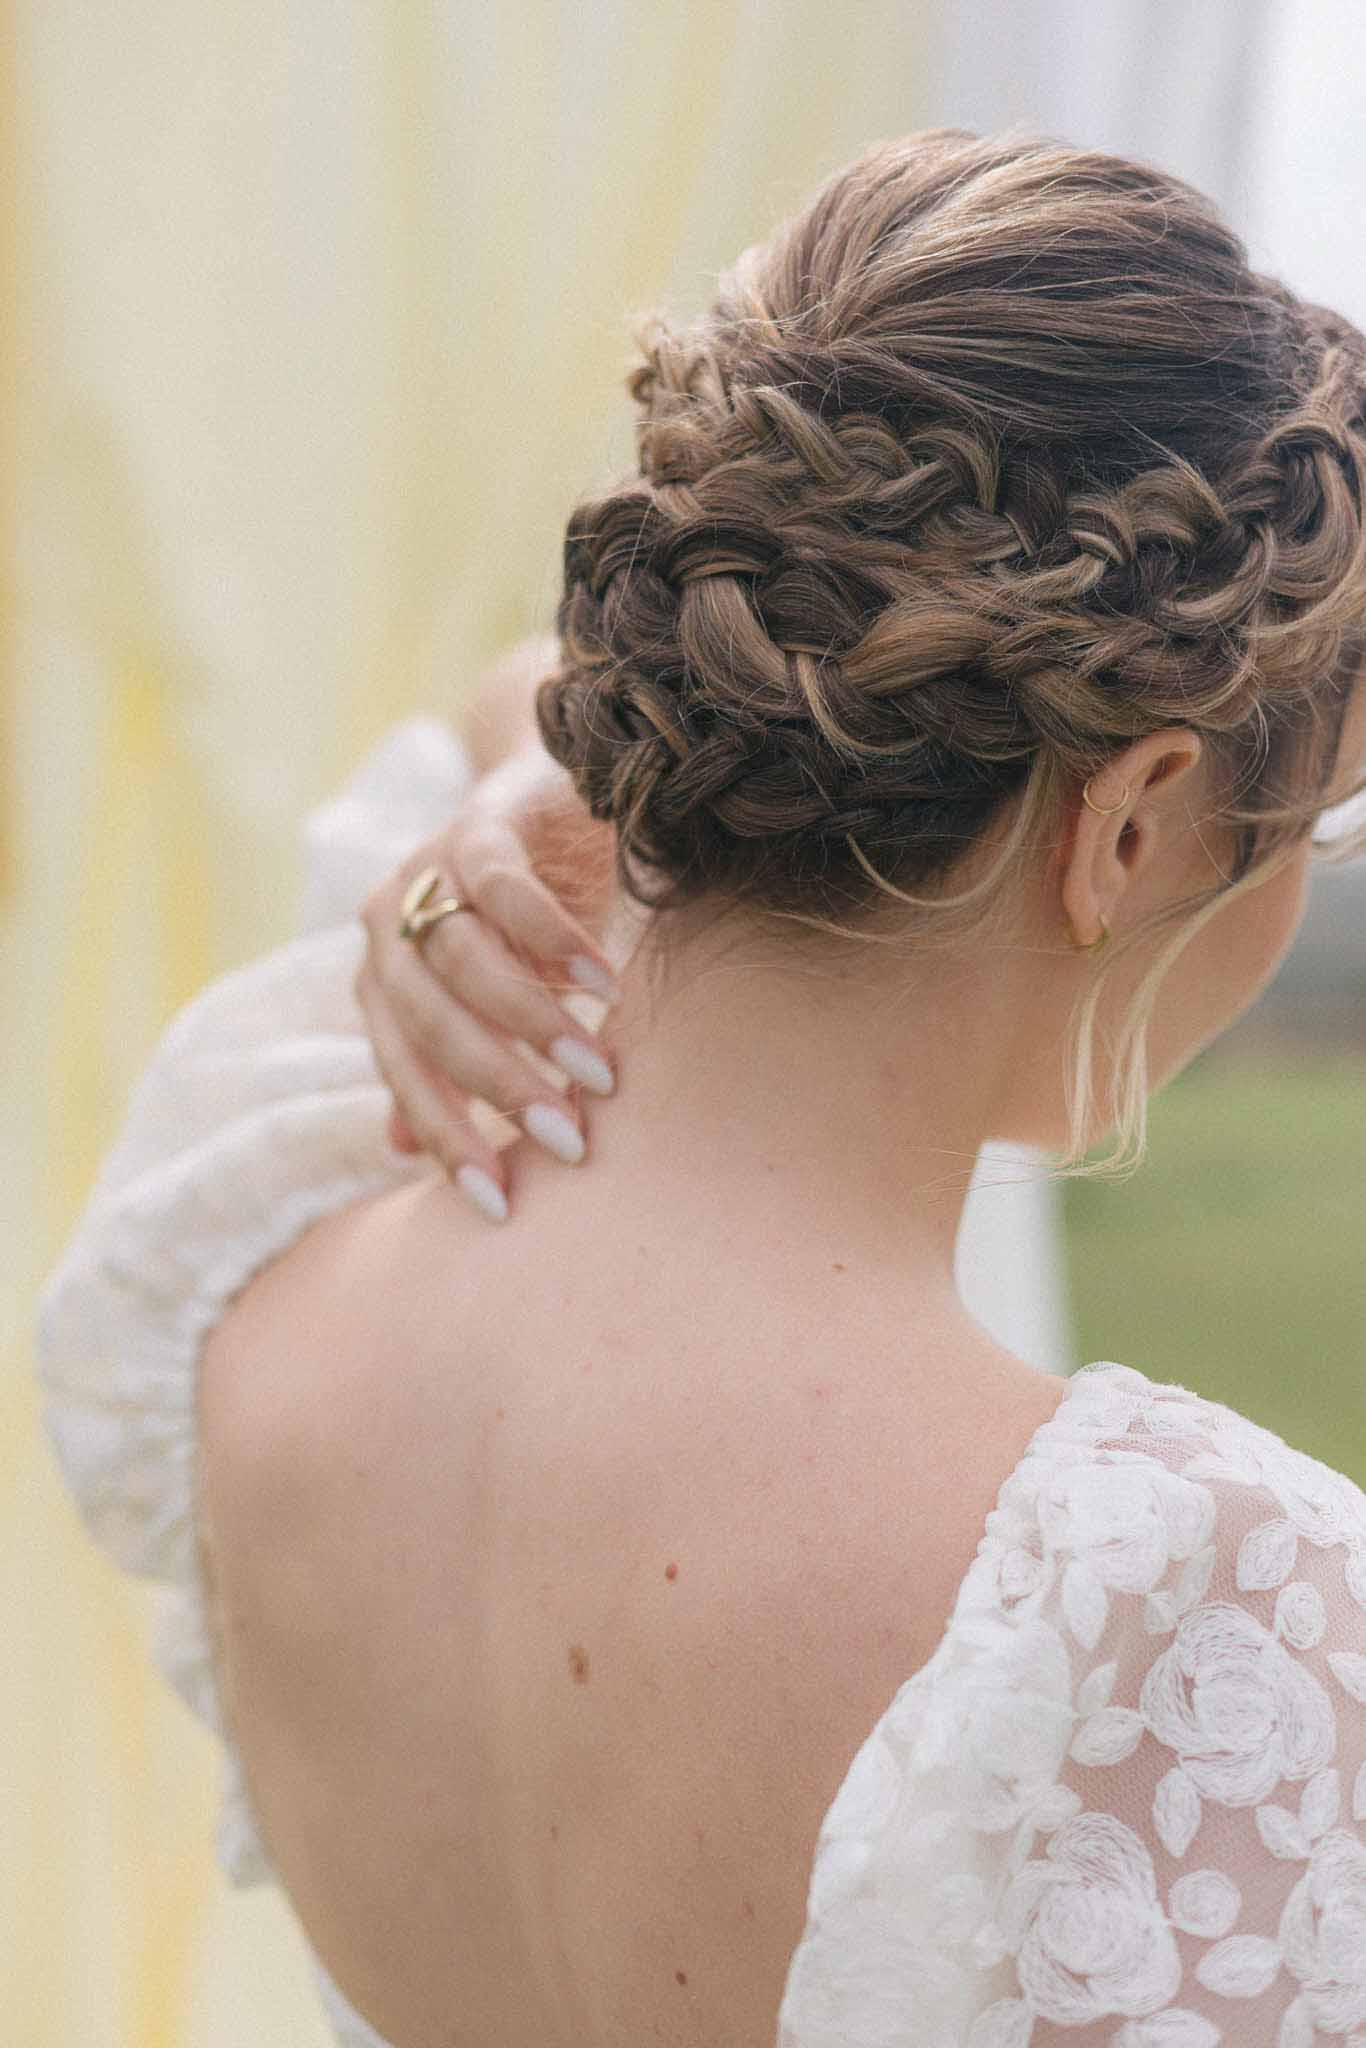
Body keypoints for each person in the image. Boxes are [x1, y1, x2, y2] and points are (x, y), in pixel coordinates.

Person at [33, 126, 1366, 2048]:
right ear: (1139, 819)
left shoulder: (257, 1244)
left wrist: (532, 775)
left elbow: (533, 692)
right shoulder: (1198, 1615)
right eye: (1310, 825)